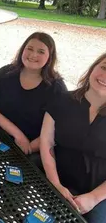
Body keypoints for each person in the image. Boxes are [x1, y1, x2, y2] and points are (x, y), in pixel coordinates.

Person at [40, 53, 106, 223]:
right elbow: (46, 141)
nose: (105, 76)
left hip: (99, 192)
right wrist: (55, 183)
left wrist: (93, 197)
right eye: (104, 67)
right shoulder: (62, 100)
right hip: (56, 177)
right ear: (93, 67)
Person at [0, 32, 66, 156]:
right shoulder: (5, 73)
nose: (33, 55)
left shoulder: (56, 87)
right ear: (22, 50)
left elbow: (57, 128)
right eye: (29, 49)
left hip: (33, 147)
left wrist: (29, 147)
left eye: (41, 52)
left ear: (50, 57)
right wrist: (19, 136)